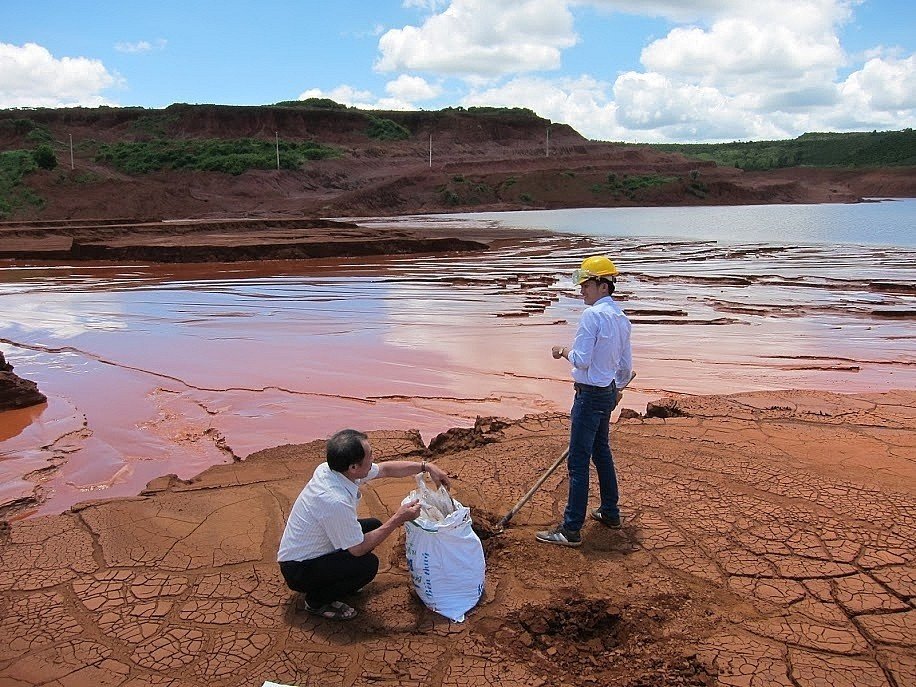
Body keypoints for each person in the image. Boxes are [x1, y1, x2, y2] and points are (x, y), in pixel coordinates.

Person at [278, 428, 451, 620]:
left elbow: (385, 469)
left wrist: (426, 467)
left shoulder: (332, 469)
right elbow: (358, 549)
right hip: (299, 569)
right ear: (353, 467)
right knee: (367, 566)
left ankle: (337, 580)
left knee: (373, 525)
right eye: (370, 454)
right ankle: (316, 601)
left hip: (315, 547)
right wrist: (398, 518)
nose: (373, 458)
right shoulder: (334, 500)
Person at [536, 255, 633, 548]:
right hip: (606, 392)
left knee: (578, 463)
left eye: (586, 285)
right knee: (602, 453)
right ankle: (610, 512)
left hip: (590, 395)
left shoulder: (592, 316)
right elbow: (625, 367)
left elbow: (582, 359)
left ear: (603, 285)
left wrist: (562, 350)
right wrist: (618, 389)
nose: (581, 291)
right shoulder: (621, 318)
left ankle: (571, 529)